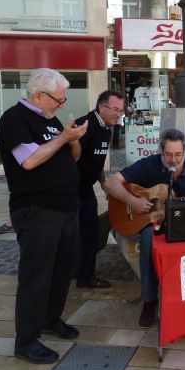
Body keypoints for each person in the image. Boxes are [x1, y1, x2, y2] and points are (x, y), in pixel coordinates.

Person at [0, 68, 88, 364]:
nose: (61, 105)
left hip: (66, 207)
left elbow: (71, 157)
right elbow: (30, 160)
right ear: (38, 95)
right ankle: (26, 339)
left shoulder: (51, 120)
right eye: (58, 100)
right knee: (36, 275)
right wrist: (63, 138)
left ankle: (50, 318)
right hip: (36, 209)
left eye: (63, 100)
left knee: (63, 269)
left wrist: (72, 139)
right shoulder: (15, 119)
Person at [105, 128, 185, 328]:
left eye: (178, 155)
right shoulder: (148, 165)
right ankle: (150, 300)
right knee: (149, 240)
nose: (173, 160)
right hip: (154, 223)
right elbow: (111, 183)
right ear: (161, 151)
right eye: (168, 155)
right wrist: (133, 201)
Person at [75, 90, 125, 289]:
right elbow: (72, 158)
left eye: (121, 111)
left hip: (86, 191)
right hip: (70, 192)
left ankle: (85, 276)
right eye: (115, 109)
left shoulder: (107, 128)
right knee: (70, 236)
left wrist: (104, 184)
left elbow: (97, 160)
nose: (118, 114)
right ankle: (69, 272)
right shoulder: (84, 126)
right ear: (101, 107)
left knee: (90, 234)